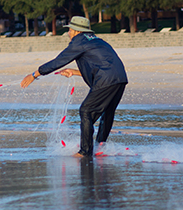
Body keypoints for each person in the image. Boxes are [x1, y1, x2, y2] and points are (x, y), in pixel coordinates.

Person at [21, 16, 128, 159]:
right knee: (107, 112)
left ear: (77, 31)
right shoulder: (97, 40)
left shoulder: (79, 42)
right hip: (120, 78)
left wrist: (35, 74)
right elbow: (101, 65)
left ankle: (85, 152)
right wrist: (74, 72)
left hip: (106, 80)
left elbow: (58, 61)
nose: (68, 33)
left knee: (86, 111)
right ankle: (100, 146)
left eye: (70, 30)